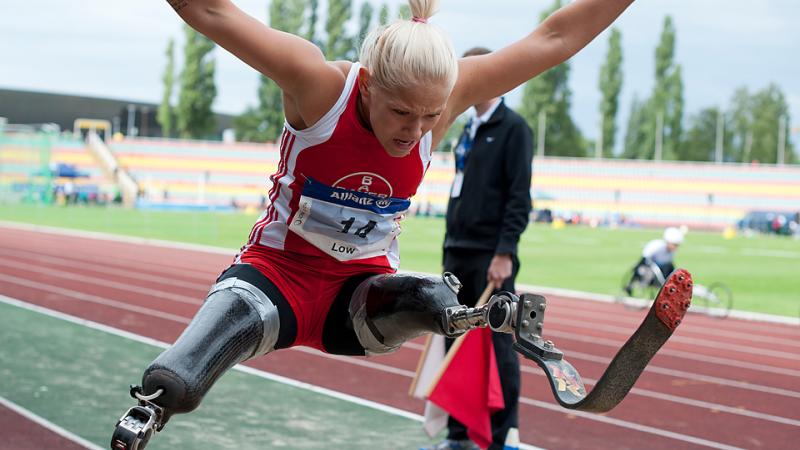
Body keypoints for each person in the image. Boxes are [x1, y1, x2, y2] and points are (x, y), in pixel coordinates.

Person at [111, 1, 637, 448]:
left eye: (431, 117)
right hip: (275, 279)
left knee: (435, 298)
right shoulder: (316, 83)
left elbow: (556, 35)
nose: (415, 131)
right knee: (178, 379)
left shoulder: (450, 95)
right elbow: (209, 9)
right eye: (401, 112)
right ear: (366, 85)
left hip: (360, 298)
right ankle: (149, 410)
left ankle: (472, 316)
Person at [423, 46, 533, 450]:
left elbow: (519, 197)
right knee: (455, 340)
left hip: (491, 256)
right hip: (457, 250)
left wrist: (505, 252)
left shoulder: (513, 129)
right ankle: (459, 433)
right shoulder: (466, 129)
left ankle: (504, 435)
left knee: (499, 344)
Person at [625, 226, 684, 295]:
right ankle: (630, 285)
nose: (675, 247)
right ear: (668, 242)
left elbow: (669, 264)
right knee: (639, 269)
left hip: (661, 267)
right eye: (674, 245)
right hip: (648, 266)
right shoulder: (656, 246)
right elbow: (644, 259)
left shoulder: (672, 252)